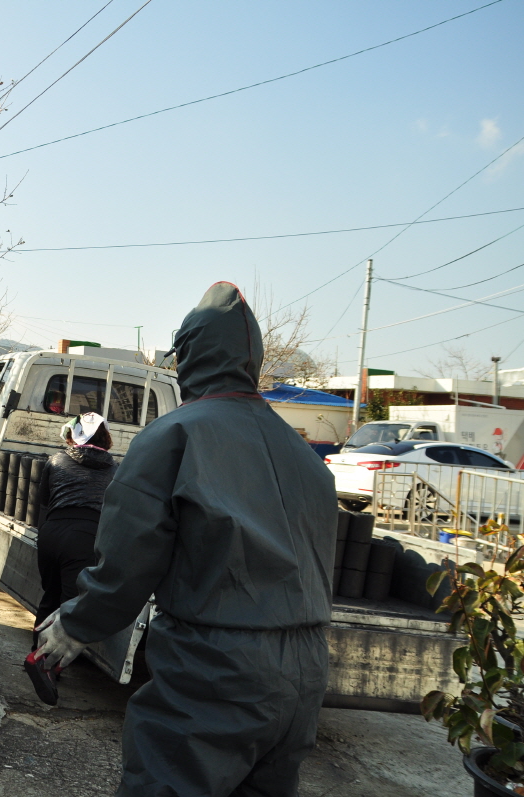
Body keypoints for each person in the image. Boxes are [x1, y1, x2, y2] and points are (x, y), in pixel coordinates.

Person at [37, 282, 336, 797]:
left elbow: (130, 560)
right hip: (306, 674)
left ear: (191, 356)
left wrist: (79, 621)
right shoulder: (306, 458)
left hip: (217, 668)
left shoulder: (175, 435)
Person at [25, 412, 116, 705]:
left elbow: (43, 500)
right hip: (84, 537)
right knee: (67, 606)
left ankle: (37, 654)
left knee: (49, 596)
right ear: (105, 436)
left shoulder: (55, 461)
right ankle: (45, 667)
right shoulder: (115, 469)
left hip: (52, 532)